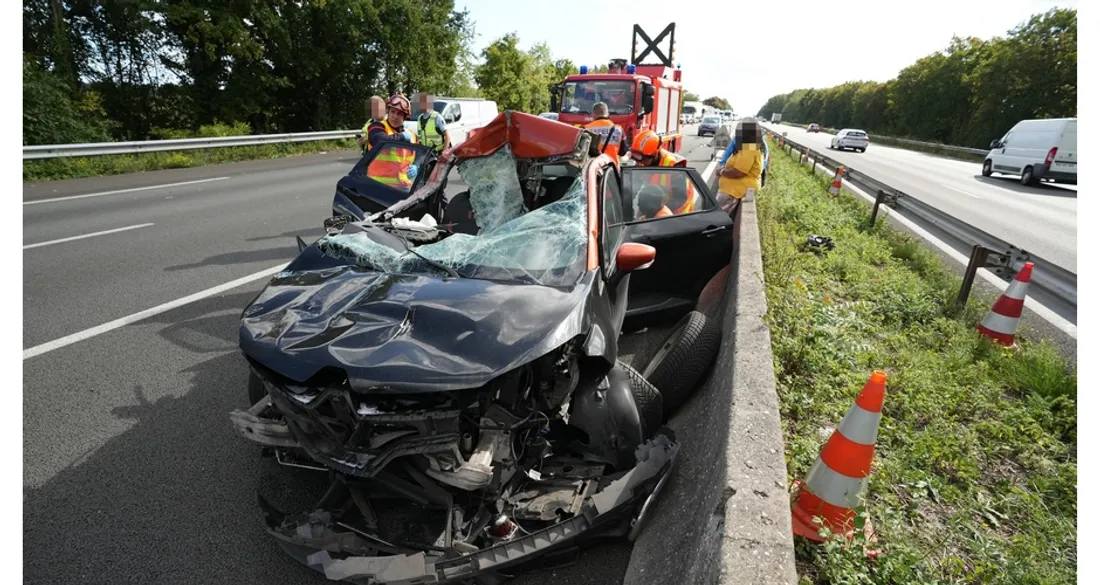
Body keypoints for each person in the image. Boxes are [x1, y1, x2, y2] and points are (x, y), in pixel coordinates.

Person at [628, 130, 697, 216]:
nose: (641, 162)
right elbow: (632, 188)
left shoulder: (673, 165)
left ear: (654, 154)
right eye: (637, 157)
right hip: (656, 208)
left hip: (679, 214)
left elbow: (680, 198)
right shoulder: (642, 162)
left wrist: (655, 210)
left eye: (643, 158)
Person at [716, 118, 764, 211]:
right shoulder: (749, 146)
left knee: (716, 219)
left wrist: (722, 171)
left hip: (735, 190)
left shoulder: (749, 148)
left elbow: (739, 172)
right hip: (735, 189)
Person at [718, 123, 770, 188]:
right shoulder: (762, 143)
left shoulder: (746, 146)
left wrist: (722, 168)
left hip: (744, 176)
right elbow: (766, 158)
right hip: (757, 173)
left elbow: (729, 152)